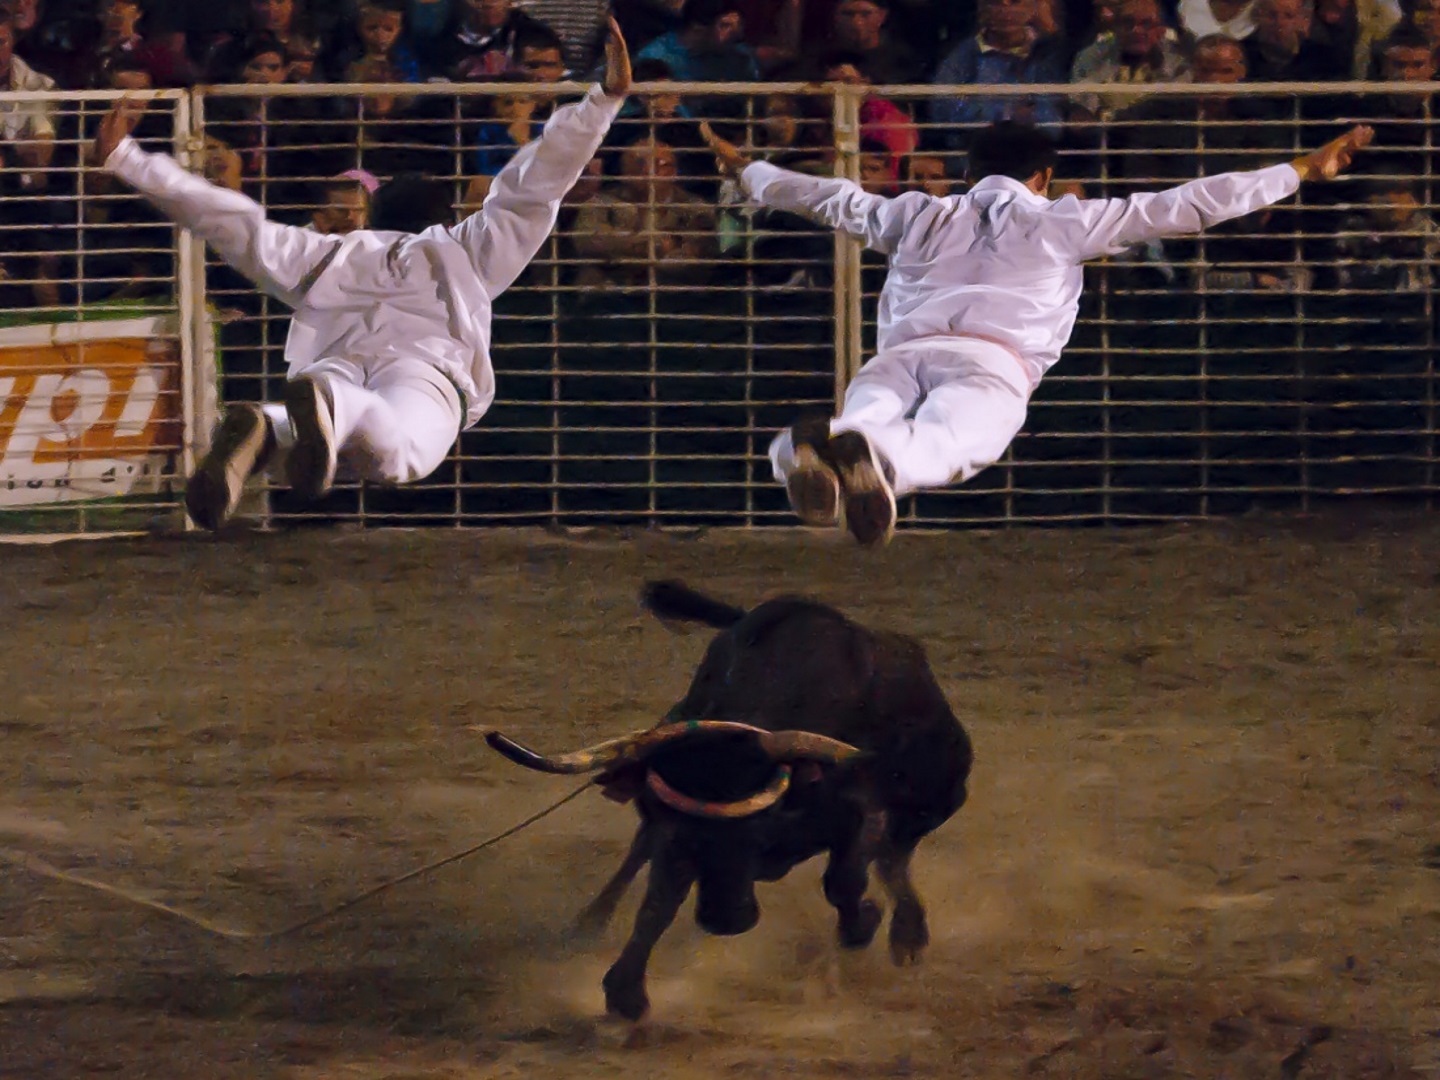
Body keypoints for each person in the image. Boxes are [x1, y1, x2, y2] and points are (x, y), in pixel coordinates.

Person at [703, 119, 1374, 547]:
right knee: (953, 441)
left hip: (901, 352)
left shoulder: (915, 212)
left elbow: (831, 200)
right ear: (1044, 177)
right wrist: (1300, 172)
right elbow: (1187, 206)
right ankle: (876, 459)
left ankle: (806, 451)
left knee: (870, 407)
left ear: (968, 173)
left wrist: (748, 172)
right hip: (992, 363)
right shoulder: (1067, 220)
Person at [92, 17, 634, 531]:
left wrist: (130, 159)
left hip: (338, 362)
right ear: (443, 219)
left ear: (375, 217)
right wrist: (602, 101)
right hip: (427, 373)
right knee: (402, 453)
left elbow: (229, 220)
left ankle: (275, 423)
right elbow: (533, 185)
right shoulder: (464, 251)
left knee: (343, 433)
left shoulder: (328, 253)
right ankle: (328, 405)